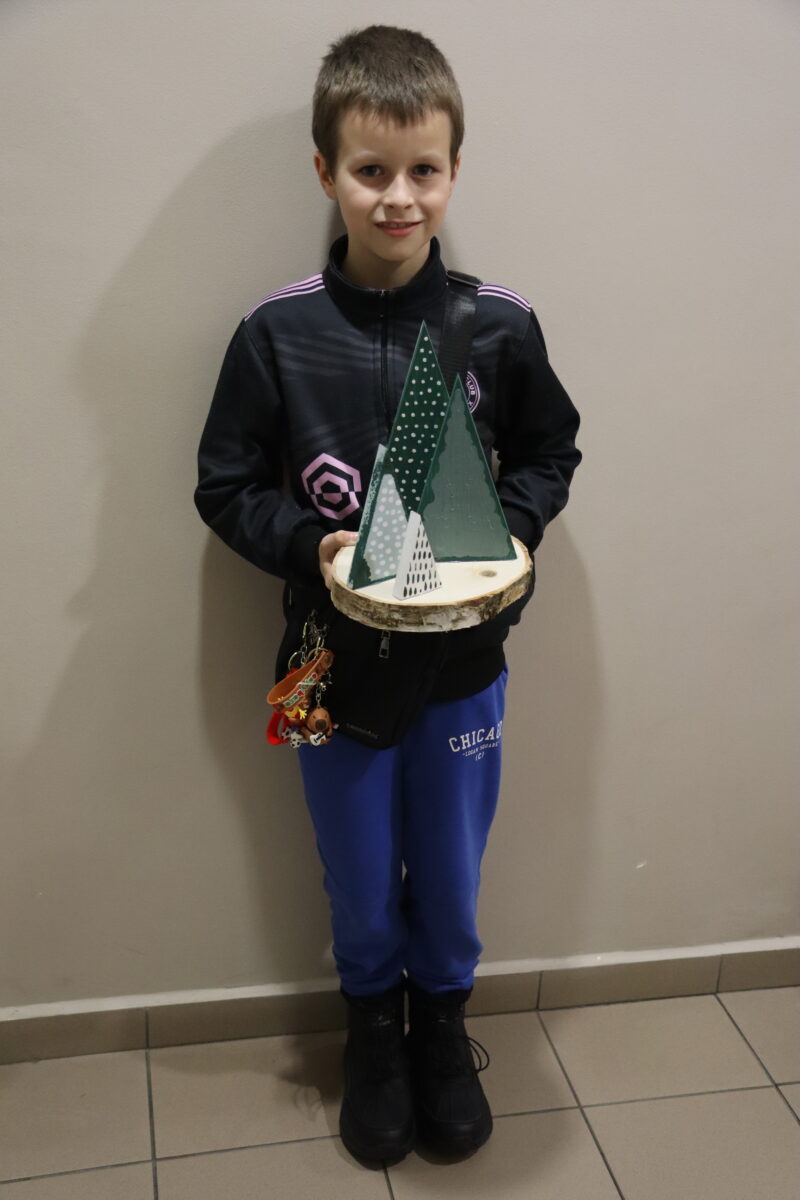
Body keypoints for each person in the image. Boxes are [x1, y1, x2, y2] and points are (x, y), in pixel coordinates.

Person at [194, 24, 581, 1165]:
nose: (398, 197)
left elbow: (550, 452)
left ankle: (442, 1027)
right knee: (356, 867)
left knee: (450, 867)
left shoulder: (495, 324)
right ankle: (372, 1028)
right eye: (371, 170)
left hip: (463, 662)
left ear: (454, 171)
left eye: (423, 170)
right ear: (327, 173)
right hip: (325, 664)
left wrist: (504, 536)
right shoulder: (275, 333)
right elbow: (222, 485)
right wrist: (304, 544)